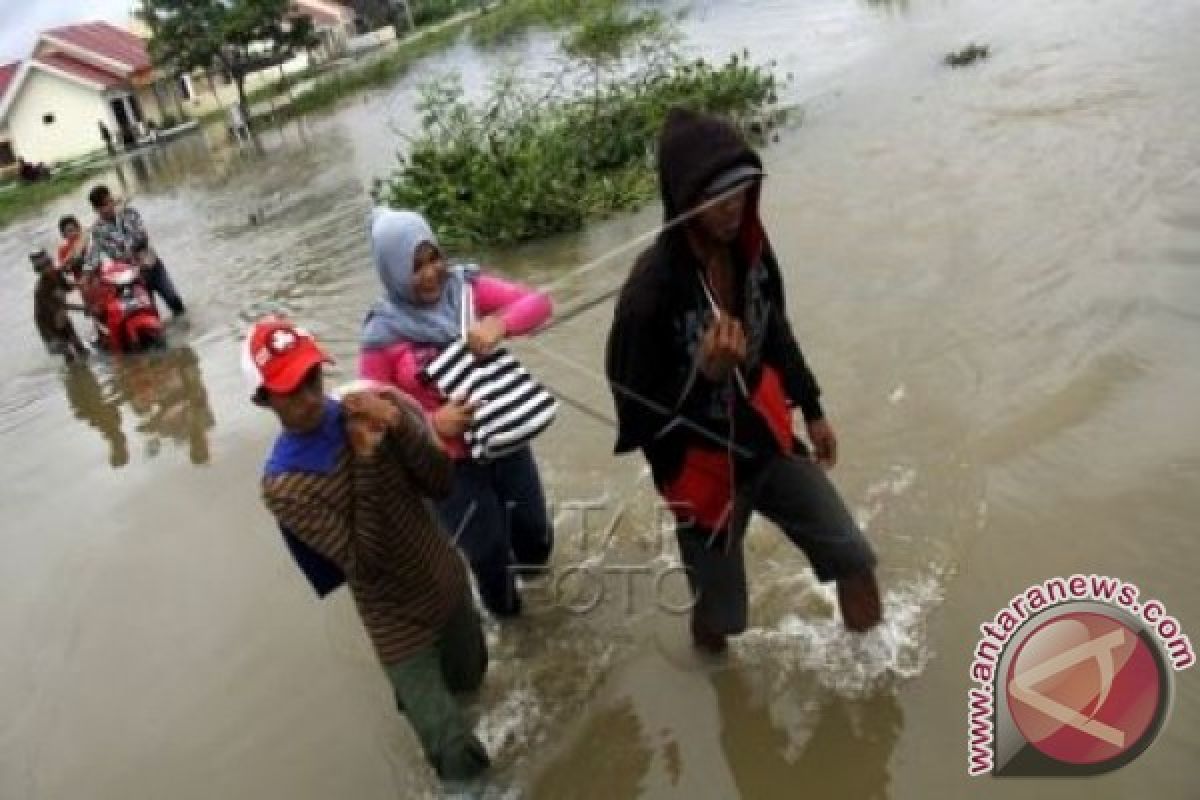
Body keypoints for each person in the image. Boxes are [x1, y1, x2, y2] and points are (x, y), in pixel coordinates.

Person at [605, 108, 882, 654]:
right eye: (719, 197)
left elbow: (773, 325)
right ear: (685, 201)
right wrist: (702, 374)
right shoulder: (648, 295)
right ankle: (713, 673)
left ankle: (875, 678)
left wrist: (812, 404)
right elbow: (634, 417)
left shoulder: (748, 245)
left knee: (853, 557)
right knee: (723, 620)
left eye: (744, 190)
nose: (735, 207)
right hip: (700, 466)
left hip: (765, 439)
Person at [251, 317, 491, 782]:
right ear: (263, 398)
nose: (310, 398)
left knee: (473, 686)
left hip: (444, 579)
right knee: (453, 755)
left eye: (313, 379)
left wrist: (402, 425)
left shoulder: (376, 403)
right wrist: (365, 458)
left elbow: (441, 483)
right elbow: (365, 562)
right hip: (396, 622)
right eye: (290, 390)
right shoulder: (284, 486)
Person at [359, 209, 555, 618]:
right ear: (391, 271)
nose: (431, 273)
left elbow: (539, 302)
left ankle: (545, 603)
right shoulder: (382, 336)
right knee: (488, 558)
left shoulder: (465, 290)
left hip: (503, 438)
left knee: (536, 537)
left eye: (434, 258)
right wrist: (432, 423)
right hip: (449, 470)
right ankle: (512, 624)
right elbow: (371, 417)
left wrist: (500, 325)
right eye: (415, 266)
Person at [86, 184, 186, 316]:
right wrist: (87, 274)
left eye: (108, 203)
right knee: (150, 315)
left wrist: (128, 249)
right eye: (101, 206)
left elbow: (142, 236)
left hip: (151, 266)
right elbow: (93, 256)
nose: (106, 209)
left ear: (111, 200)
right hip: (132, 278)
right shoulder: (97, 231)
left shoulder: (129, 213)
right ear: (96, 209)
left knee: (174, 300)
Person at [31, 249, 87, 362]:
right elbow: (61, 306)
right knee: (67, 351)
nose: (48, 268)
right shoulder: (41, 290)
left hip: (61, 315)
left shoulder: (57, 273)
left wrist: (80, 283)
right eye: (44, 267)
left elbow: (67, 286)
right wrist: (85, 308)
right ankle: (74, 372)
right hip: (48, 322)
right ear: (39, 271)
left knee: (79, 345)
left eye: (49, 263)